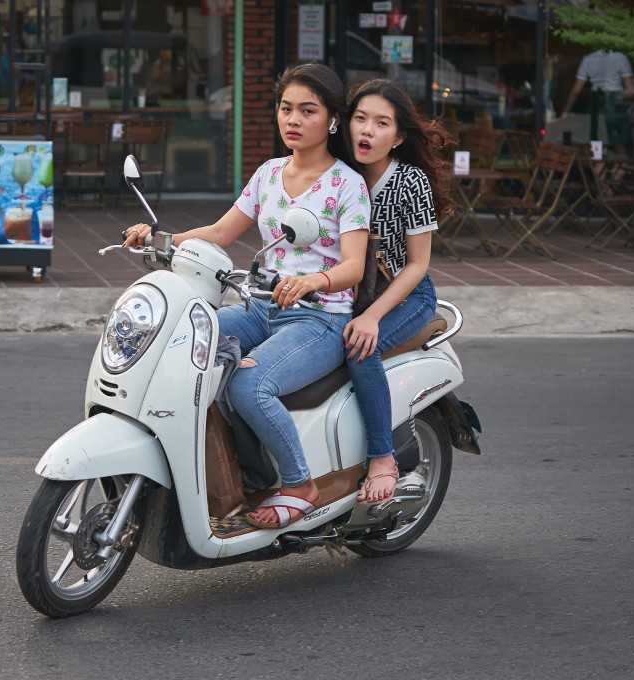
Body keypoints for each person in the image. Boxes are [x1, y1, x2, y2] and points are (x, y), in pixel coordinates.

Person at [123, 63, 371, 529]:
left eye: (307, 110)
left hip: (317, 320)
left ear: (333, 120)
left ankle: (300, 483)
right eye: (285, 108)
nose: (292, 119)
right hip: (260, 309)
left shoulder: (347, 185)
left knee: (248, 385)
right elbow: (219, 232)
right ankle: (240, 474)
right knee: (177, 347)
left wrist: (314, 281)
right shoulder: (269, 174)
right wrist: (160, 238)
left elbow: (354, 265)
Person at [344, 79, 454, 504]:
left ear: (399, 135)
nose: (367, 131)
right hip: (351, 294)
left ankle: (382, 458)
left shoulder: (409, 182)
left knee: (360, 347)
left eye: (381, 123)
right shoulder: (339, 174)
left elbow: (418, 264)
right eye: (360, 119)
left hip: (407, 296)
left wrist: (372, 317)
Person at [558, 49, 634, 155]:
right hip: (615, 105)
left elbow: (576, 91)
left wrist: (566, 111)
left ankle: (599, 166)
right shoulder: (621, 57)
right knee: (620, 145)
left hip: (595, 104)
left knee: (597, 146)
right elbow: (631, 89)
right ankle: (620, 169)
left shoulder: (588, 59)